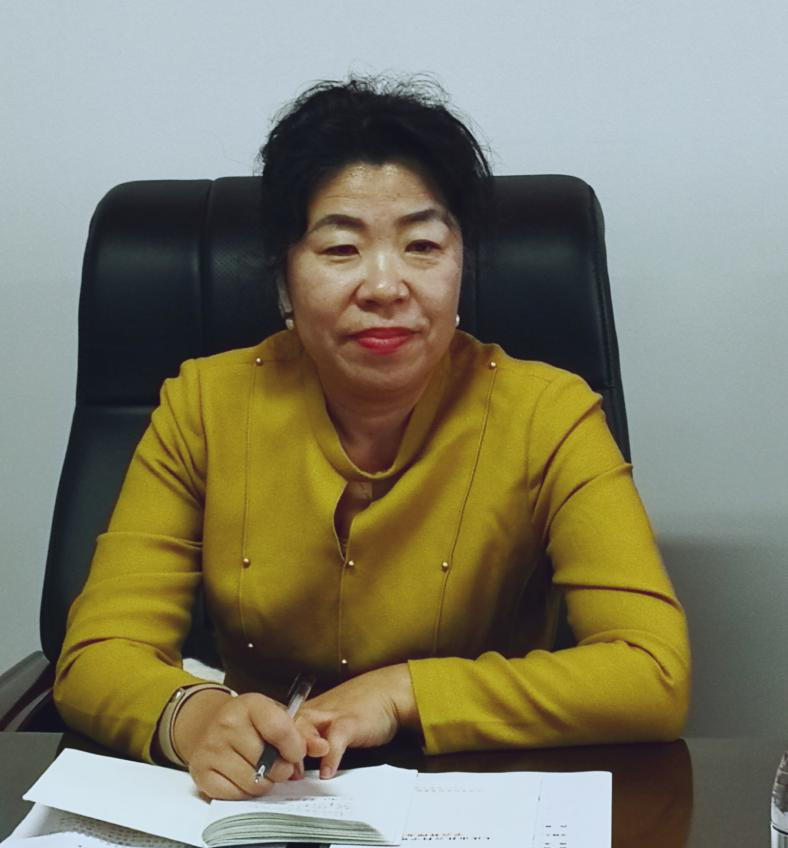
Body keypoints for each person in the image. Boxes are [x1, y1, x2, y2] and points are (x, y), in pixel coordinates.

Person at [54, 76, 690, 800]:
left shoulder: (549, 414)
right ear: (285, 278)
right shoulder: (204, 406)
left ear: (461, 264)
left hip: (474, 805)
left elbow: (652, 671)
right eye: (340, 248)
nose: (385, 286)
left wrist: (404, 692)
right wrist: (195, 718)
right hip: (259, 801)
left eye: (422, 245)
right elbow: (97, 653)